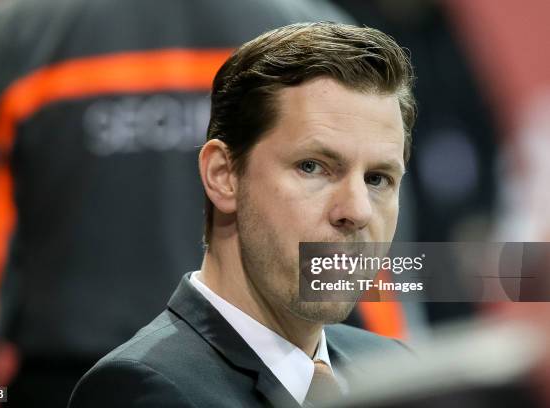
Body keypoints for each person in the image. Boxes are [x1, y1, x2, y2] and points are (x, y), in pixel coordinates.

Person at [0, 0, 352, 405]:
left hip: (64, 384)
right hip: (251, 379)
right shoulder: (313, 30)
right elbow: (375, 276)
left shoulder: (14, 36)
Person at [69, 21, 416, 408]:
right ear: (223, 176)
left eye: (377, 178)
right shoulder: (143, 390)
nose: (356, 210)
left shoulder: (397, 370)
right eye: (312, 167)